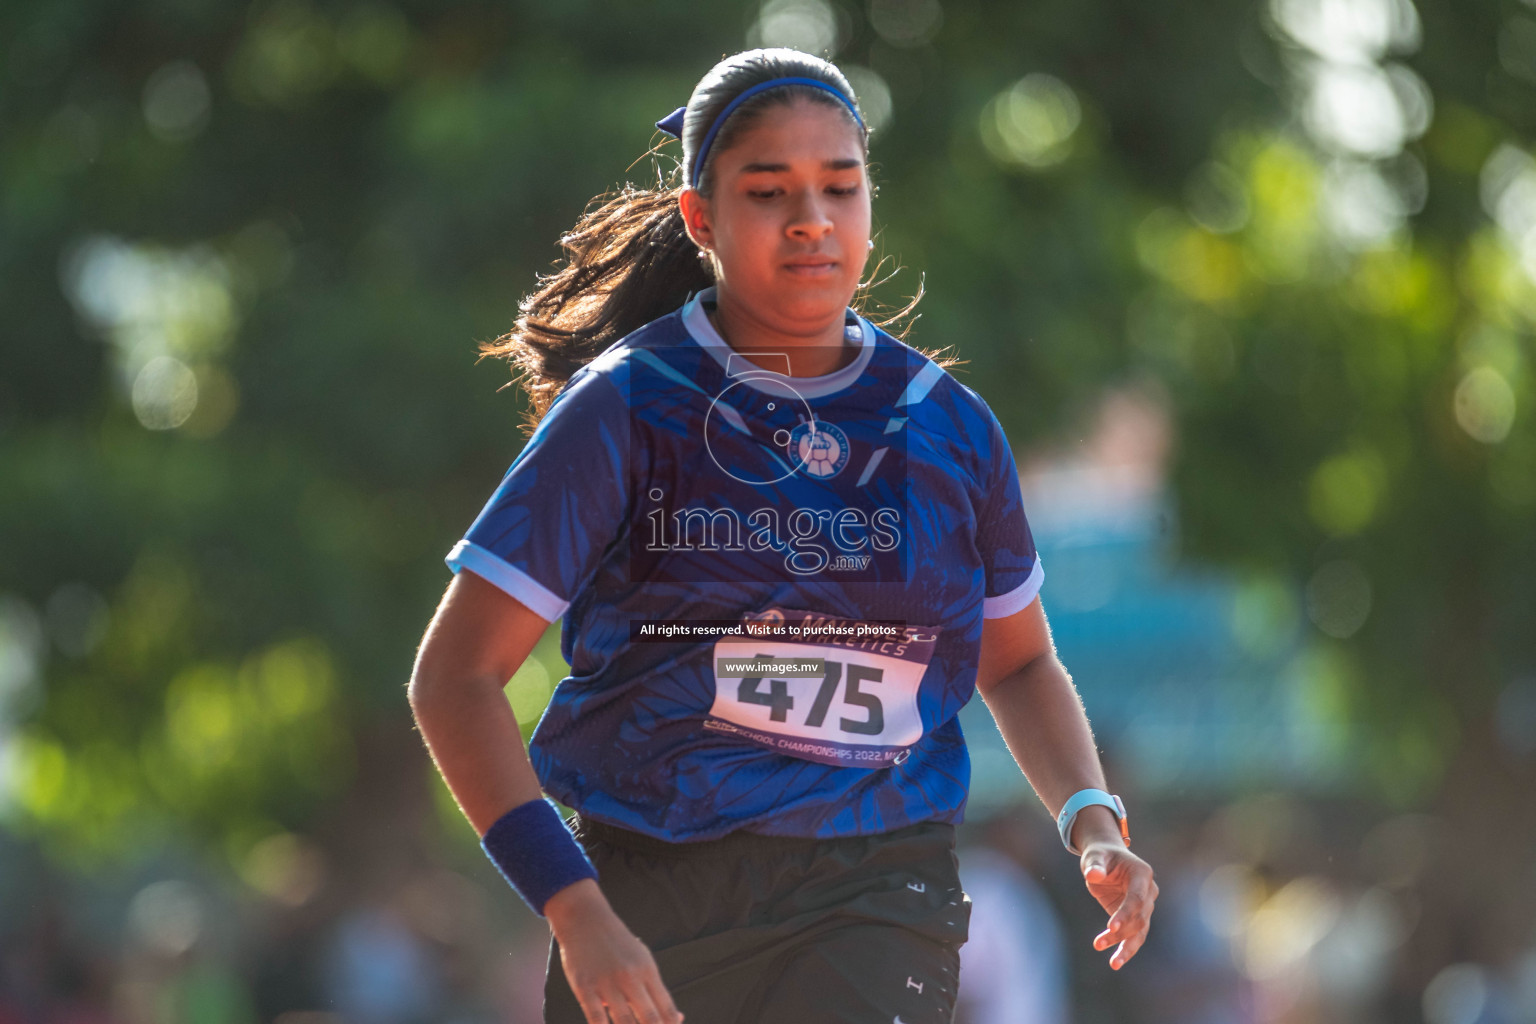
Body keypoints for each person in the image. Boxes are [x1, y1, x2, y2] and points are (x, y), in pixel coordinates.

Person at [407, 47, 1157, 1024]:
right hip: (650, 900)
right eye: (770, 192)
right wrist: (575, 908)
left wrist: (1089, 817)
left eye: (840, 188)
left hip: (878, 890)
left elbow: (1016, 665)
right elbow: (452, 680)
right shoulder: (627, 409)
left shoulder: (948, 425)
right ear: (701, 218)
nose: (812, 220)